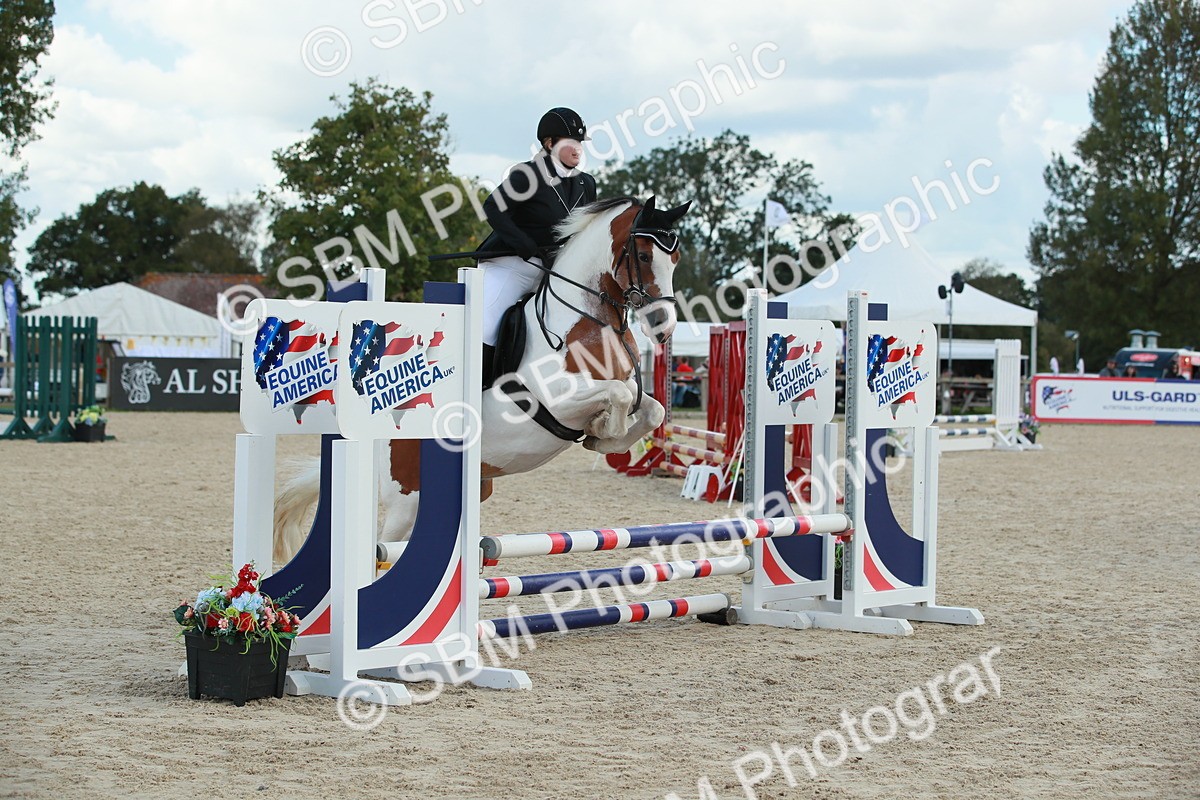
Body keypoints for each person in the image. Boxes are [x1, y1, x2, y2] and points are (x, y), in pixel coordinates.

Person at [477, 107, 598, 382]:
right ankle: (479, 387)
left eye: (580, 143)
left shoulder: (586, 184)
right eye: (571, 143)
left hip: (558, 273)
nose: (578, 150)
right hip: (515, 266)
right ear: (550, 144)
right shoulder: (527, 175)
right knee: (484, 325)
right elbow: (493, 208)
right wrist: (525, 245)